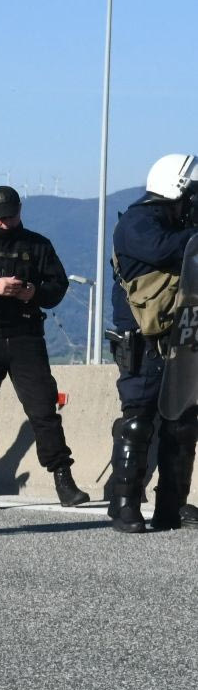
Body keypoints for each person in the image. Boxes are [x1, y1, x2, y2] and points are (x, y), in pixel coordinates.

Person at [0, 186, 89, 511]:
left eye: (11, 216)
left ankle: (63, 479)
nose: (6, 223)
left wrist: (33, 293)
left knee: (44, 410)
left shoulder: (38, 244)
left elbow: (58, 286)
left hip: (26, 336)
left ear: (20, 211)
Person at [105, 154, 198, 533]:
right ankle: (124, 504)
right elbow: (164, 249)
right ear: (175, 189)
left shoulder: (180, 223)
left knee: (182, 424)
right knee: (138, 422)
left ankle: (171, 507)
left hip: (182, 339)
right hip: (143, 340)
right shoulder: (138, 221)